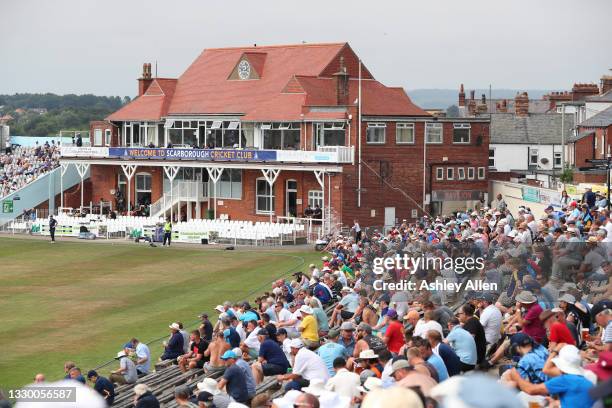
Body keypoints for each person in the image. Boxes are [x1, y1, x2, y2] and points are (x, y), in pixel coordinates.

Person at [508, 344, 595, 408]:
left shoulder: (565, 380)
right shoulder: (588, 376)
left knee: (523, 396)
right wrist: (558, 403)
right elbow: (578, 401)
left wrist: (516, 376)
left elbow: (530, 390)